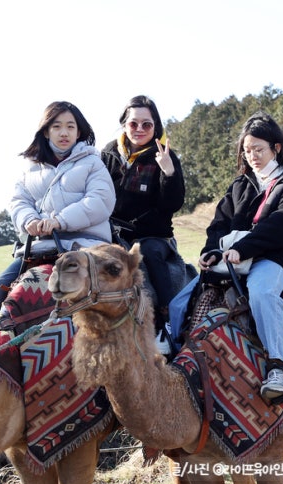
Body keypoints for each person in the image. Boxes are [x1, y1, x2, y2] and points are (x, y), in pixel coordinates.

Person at [199, 112, 283, 400]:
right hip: (232, 259)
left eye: (258, 149)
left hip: (274, 258)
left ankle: (279, 369)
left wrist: (244, 248)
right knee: (182, 300)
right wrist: (210, 251)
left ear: (276, 148)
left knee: (262, 291)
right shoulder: (240, 184)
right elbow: (220, 223)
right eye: (247, 151)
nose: (252, 156)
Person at [0, 101, 116, 322]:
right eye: (56, 126)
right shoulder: (30, 167)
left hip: (86, 244)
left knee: (113, 292)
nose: (64, 133)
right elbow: (19, 200)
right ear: (46, 131)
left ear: (79, 131)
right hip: (40, 247)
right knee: (0, 286)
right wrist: (29, 220)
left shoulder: (93, 162)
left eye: (70, 126)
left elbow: (100, 201)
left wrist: (59, 221)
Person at [101, 95, 186, 354]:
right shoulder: (108, 154)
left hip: (152, 235)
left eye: (146, 125)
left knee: (149, 254)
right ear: (124, 124)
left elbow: (172, 204)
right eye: (133, 123)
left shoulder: (164, 156)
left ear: (155, 126)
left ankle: (166, 323)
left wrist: (168, 172)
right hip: (112, 231)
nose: (139, 130)